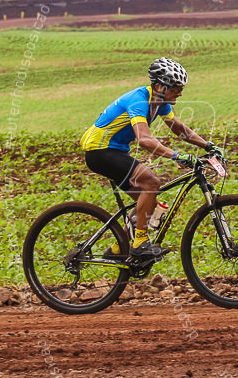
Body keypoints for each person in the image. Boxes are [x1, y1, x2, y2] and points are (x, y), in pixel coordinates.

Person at [80, 57, 222, 260]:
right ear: (159, 86)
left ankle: (117, 249)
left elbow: (178, 128)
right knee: (151, 182)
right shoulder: (139, 100)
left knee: (149, 202)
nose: (180, 93)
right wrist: (177, 156)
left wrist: (208, 146)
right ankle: (139, 244)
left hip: (115, 151)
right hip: (100, 151)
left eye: (181, 88)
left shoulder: (160, 101)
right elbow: (144, 139)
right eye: (175, 88)